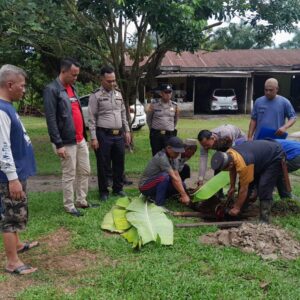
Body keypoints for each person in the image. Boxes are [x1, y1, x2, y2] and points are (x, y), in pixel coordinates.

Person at [0, 64, 38, 275]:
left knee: (16, 211)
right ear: (10, 84)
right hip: (8, 176)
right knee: (11, 217)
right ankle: (12, 262)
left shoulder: (7, 107)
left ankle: (18, 245)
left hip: (17, 171)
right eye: (22, 86)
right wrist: (12, 178)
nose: (24, 90)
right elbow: (2, 147)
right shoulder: (1, 110)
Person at [43, 58, 91, 217]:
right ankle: (69, 205)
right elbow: (51, 119)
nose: (76, 78)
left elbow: (77, 113)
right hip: (65, 141)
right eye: (73, 75)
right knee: (69, 174)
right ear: (63, 71)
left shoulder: (73, 88)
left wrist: (84, 136)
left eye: (77, 75)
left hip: (80, 139)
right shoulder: (52, 89)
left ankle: (81, 200)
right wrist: (58, 143)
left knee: (85, 171)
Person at [211, 140, 284, 223]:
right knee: (246, 183)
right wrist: (232, 186)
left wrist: (237, 207)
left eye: (224, 169)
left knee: (264, 186)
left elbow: (243, 189)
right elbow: (232, 169)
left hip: (274, 156)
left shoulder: (243, 165)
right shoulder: (228, 154)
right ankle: (240, 211)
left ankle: (264, 219)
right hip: (258, 157)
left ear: (229, 164)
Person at [88, 66, 131, 201]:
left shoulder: (118, 94)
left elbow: (123, 113)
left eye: (114, 81)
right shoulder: (96, 96)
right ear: (102, 79)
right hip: (103, 135)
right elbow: (91, 118)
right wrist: (94, 137)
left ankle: (118, 188)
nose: (112, 83)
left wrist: (127, 130)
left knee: (119, 163)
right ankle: (103, 191)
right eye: (109, 81)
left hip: (118, 135)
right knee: (103, 164)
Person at [139, 137, 190, 206]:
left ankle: (153, 197)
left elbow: (176, 176)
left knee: (182, 185)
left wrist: (183, 193)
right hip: (145, 186)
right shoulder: (162, 157)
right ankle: (159, 203)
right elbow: (174, 178)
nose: (178, 154)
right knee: (164, 176)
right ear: (168, 148)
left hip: (156, 183)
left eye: (179, 152)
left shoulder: (173, 157)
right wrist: (184, 195)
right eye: (176, 152)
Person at [147, 84, 179, 156]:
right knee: (156, 155)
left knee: (169, 155)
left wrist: (170, 128)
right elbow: (149, 119)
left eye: (169, 92)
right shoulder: (154, 105)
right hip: (156, 134)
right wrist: (152, 129)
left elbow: (176, 119)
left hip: (169, 135)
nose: (168, 94)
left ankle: (168, 168)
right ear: (161, 93)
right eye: (166, 92)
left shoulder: (175, 106)